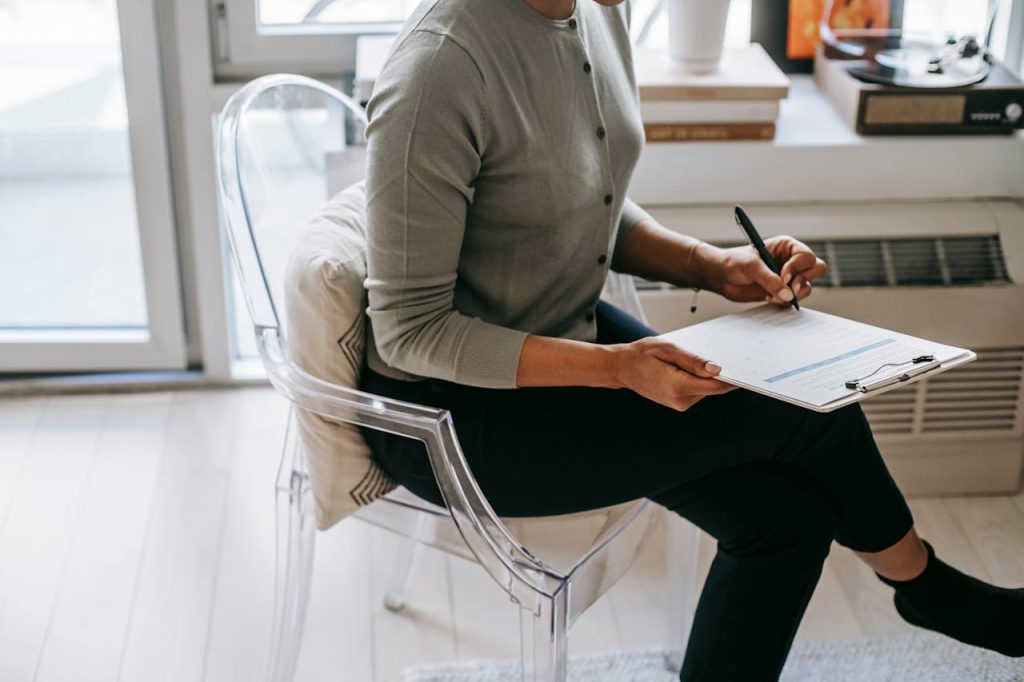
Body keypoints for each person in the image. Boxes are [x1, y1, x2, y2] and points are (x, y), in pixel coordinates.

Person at [356, 0, 1024, 678]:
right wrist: (618, 369)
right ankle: (932, 593)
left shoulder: (593, 11)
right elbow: (411, 331)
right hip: (449, 417)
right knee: (816, 415)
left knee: (785, 522)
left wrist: (713, 264)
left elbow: (578, 200)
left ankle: (928, 593)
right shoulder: (439, 70)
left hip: (564, 329)